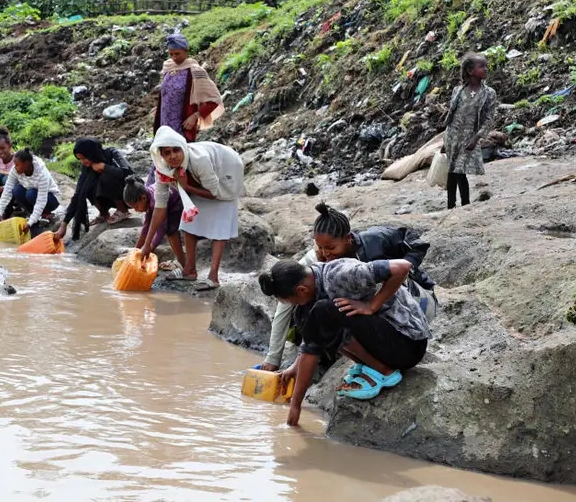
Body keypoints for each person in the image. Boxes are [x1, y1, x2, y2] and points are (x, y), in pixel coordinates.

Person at [260, 203, 438, 371]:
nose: (325, 253)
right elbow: (286, 299)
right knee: (316, 312)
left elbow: (414, 247)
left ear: (347, 239)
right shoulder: (314, 260)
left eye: (330, 247)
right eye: (320, 248)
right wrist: (273, 358)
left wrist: (374, 303)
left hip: (413, 301)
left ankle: (382, 366)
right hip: (376, 317)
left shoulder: (374, 241)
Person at [259, 258, 431, 426]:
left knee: (324, 311)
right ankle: (371, 365)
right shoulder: (315, 281)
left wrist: (371, 306)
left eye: (292, 302)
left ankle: (384, 370)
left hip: (408, 343)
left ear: (302, 290)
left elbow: (402, 267)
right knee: (310, 315)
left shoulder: (341, 275)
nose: (295, 305)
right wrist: (295, 367)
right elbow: (311, 341)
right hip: (385, 339)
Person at [141, 126, 244, 291]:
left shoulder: (200, 159)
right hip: (196, 182)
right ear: (161, 156)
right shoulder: (164, 171)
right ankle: (189, 270)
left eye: (176, 150)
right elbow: (160, 208)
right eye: (167, 153)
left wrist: (187, 187)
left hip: (226, 169)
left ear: (183, 148)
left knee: (220, 223)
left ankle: (213, 277)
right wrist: (147, 244)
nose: (173, 156)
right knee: (189, 223)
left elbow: (216, 193)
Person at [147, 32, 224, 185]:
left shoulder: (194, 71)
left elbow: (213, 99)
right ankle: (158, 191)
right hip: (164, 124)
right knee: (163, 156)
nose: (174, 57)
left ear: (186, 51)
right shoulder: (168, 68)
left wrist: (196, 115)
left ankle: (185, 190)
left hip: (181, 125)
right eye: (171, 54)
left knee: (179, 157)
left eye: (177, 53)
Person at [442, 52, 498, 209]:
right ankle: (450, 205)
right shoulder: (458, 91)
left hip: (469, 137)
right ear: (470, 71)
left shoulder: (488, 93)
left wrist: (476, 139)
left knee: (460, 171)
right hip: (453, 135)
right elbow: (451, 115)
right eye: (482, 67)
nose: (486, 69)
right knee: (452, 171)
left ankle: (465, 204)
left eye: (486, 66)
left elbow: (488, 119)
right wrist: (444, 140)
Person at [55, 139, 132, 241]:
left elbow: (127, 172)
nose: (82, 162)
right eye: (80, 159)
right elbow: (77, 194)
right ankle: (104, 214)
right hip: (109, 195)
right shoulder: (87, 167)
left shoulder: (111, 153)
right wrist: (64, 224)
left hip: (129, 193)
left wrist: (104, 167)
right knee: (85, 188)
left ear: (91, 153)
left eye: (84, 158)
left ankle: (122, 210)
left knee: (106, 177)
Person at [123, 175, 186, 271]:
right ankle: (181, 261)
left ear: (143, 198)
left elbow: (162, 228)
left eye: (136, 206)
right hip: (167, 203)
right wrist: (136, 250)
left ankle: (182, 262)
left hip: (177, 202)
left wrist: (150, 247)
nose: (135, 210)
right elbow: (146, 226)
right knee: (162, 229)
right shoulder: (148, 198)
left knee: (171, 231)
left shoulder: (154, 200)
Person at [0, 148, 61, 236]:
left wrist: (30, 223)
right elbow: (7, 190)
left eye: (17, 165)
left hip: (51, 199)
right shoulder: (15, 171)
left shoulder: (42, 174)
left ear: (27, 164)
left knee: (30, 193)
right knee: (16, 190)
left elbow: (41, 200)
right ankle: (33, 215)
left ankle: (45, 214)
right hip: (33, 196)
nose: (15, 167)